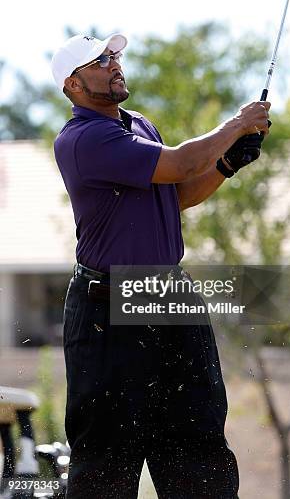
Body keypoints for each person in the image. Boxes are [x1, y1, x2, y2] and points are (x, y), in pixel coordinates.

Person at [51, 32, 270, 499]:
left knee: (198, 445)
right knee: (108, 459)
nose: (114, 64)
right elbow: (184, 163)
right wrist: (235, 124)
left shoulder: (140, 125)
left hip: (168, 295)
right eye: (99, 61)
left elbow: (178, 193)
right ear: (72, 85)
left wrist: (226, 164)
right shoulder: (82, 139)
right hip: (106, 305)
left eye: (114, 56)